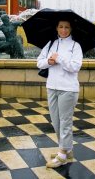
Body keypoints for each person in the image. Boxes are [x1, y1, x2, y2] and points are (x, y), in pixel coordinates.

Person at [36, 19, 83, 168]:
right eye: (61, 27)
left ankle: (62, 155)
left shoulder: (75, 46)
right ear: (56, 28)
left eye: (66, 27)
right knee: (56, 122)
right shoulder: (51, 44)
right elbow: (39, 62)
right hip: (51, 87)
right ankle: (67, 150)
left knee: (65, 122)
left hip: (68, 89)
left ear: (71, 29)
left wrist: (60, 59)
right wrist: (49, 62)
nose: (63, 30)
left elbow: (75, 67)